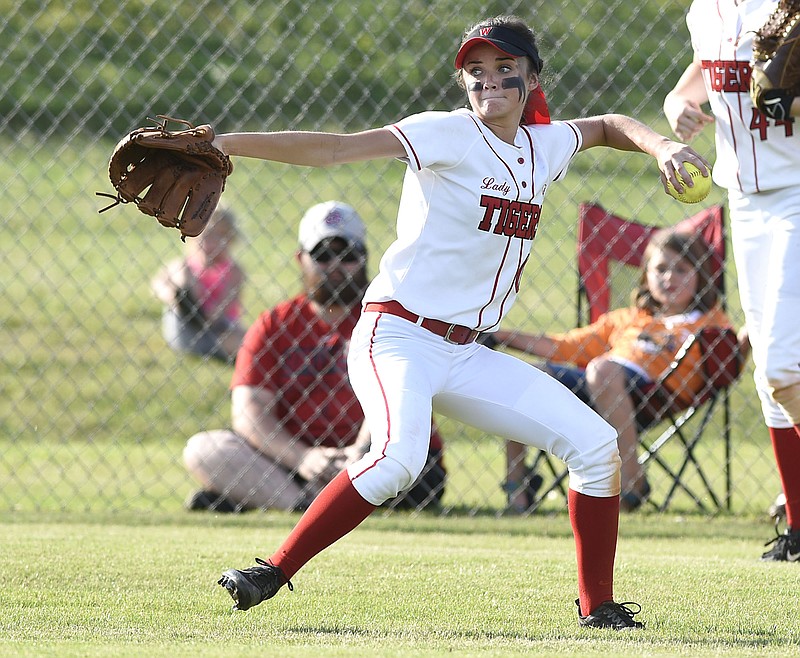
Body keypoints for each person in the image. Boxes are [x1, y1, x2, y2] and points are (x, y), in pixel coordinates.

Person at [212, 15, 709, 630]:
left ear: (531, 79)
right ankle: (274, 570)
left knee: (596, 445)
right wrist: (226, 144)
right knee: (397, 458)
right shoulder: (446, 134)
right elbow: (336, 149)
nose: (489, 81)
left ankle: (598, 606)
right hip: (396, 335)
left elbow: (608, 127)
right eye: (476, 71)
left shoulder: (542, 146)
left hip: (465, 352)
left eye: (505, 69)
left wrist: (663, 146)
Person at [183, 201, 446, 513]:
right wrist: (303, 457)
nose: (335, 264)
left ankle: (272, 497)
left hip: (381, 456)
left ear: (364, 258)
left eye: (347, 254)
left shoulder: (391, 318)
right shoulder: (274, 325)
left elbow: (402, 396)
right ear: (301, 259)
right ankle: (303, 504)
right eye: (322, 255)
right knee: (204, 449)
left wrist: (359, 453)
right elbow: (249, 412)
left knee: (402, 462)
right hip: (298, 462)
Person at [664, 0, 800, 562]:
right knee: (771, 377)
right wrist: (678, 104)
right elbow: (702, 70)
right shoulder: (707, 10)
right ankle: (798, 524)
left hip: (797, 191)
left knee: (783, 366)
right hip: (744, 201)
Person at [490, 230, 733, 512]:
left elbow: (730, 357)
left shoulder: (709, 323)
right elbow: (566, 347)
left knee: (602, 369)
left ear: (701, 275)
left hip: (654, 395)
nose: (669, 278)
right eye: (661, 269)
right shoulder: (627, 319)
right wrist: (499, 335)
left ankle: (631, 480)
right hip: (597, 387)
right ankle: (517, 491)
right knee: (525, 379)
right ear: (645, 275)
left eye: (681, 269)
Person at [150, 205, 246, 363]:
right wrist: (172, 295)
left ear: (231, 240)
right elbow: (158, 284)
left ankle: (248, 354)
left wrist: (208, 312)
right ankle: (187, 301)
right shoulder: (185, 267)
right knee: (181, 271)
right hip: (187, 328)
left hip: (219, 329)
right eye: (205, 236)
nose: (211, 243)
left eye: (219, 236)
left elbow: (222, 310)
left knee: (243, 338)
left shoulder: (234, 272)